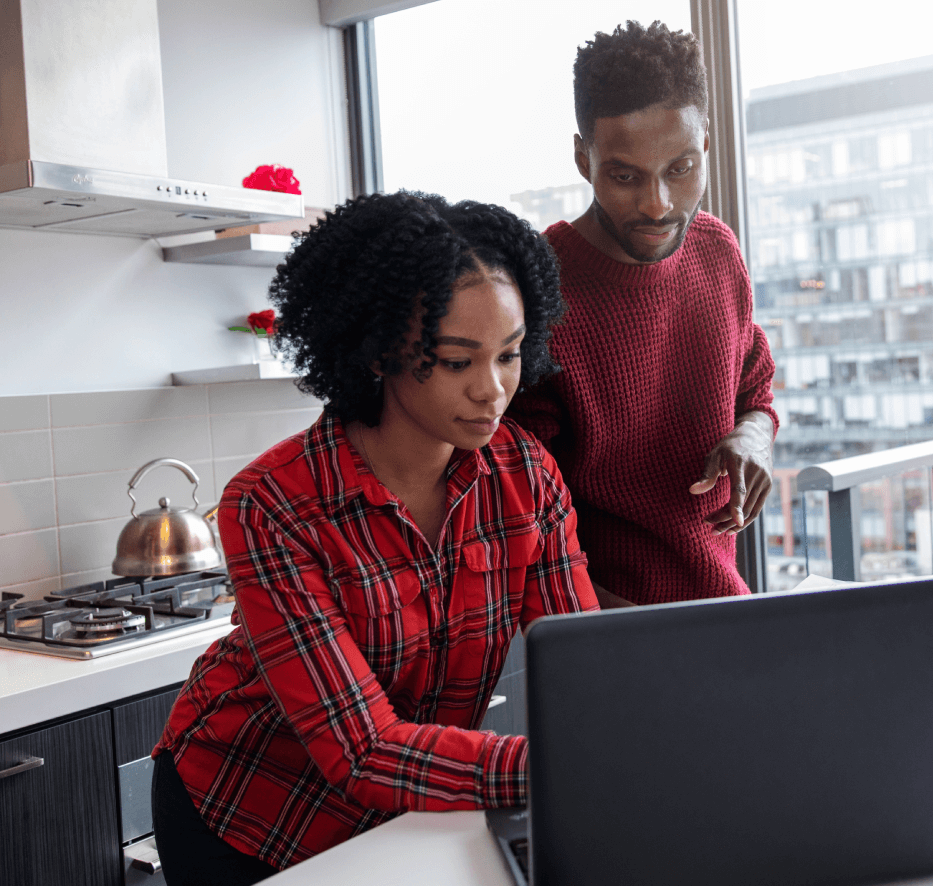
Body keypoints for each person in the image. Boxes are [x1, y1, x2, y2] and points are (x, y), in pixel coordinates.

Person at [150, 191, 598, 884]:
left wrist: (626, 729)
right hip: (251, 811)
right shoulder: (271, 504)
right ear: (379, 349)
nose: (493, 390)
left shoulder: (527, 476)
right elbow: (361, 752)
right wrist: (566, 765)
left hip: (408, 811)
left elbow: (583, 670)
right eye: (457, 361)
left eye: (508, 355)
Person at [508, 20, 778, 608]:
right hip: (601, 628)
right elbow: (519, 518)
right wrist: (622, 634)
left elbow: (754, 390)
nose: (658, 205)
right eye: (625, 176)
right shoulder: (536, 286)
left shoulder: (717, 249)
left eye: (679, 169)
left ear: (706, 144)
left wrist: (752, 437)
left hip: (720, 607)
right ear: (584, 158)